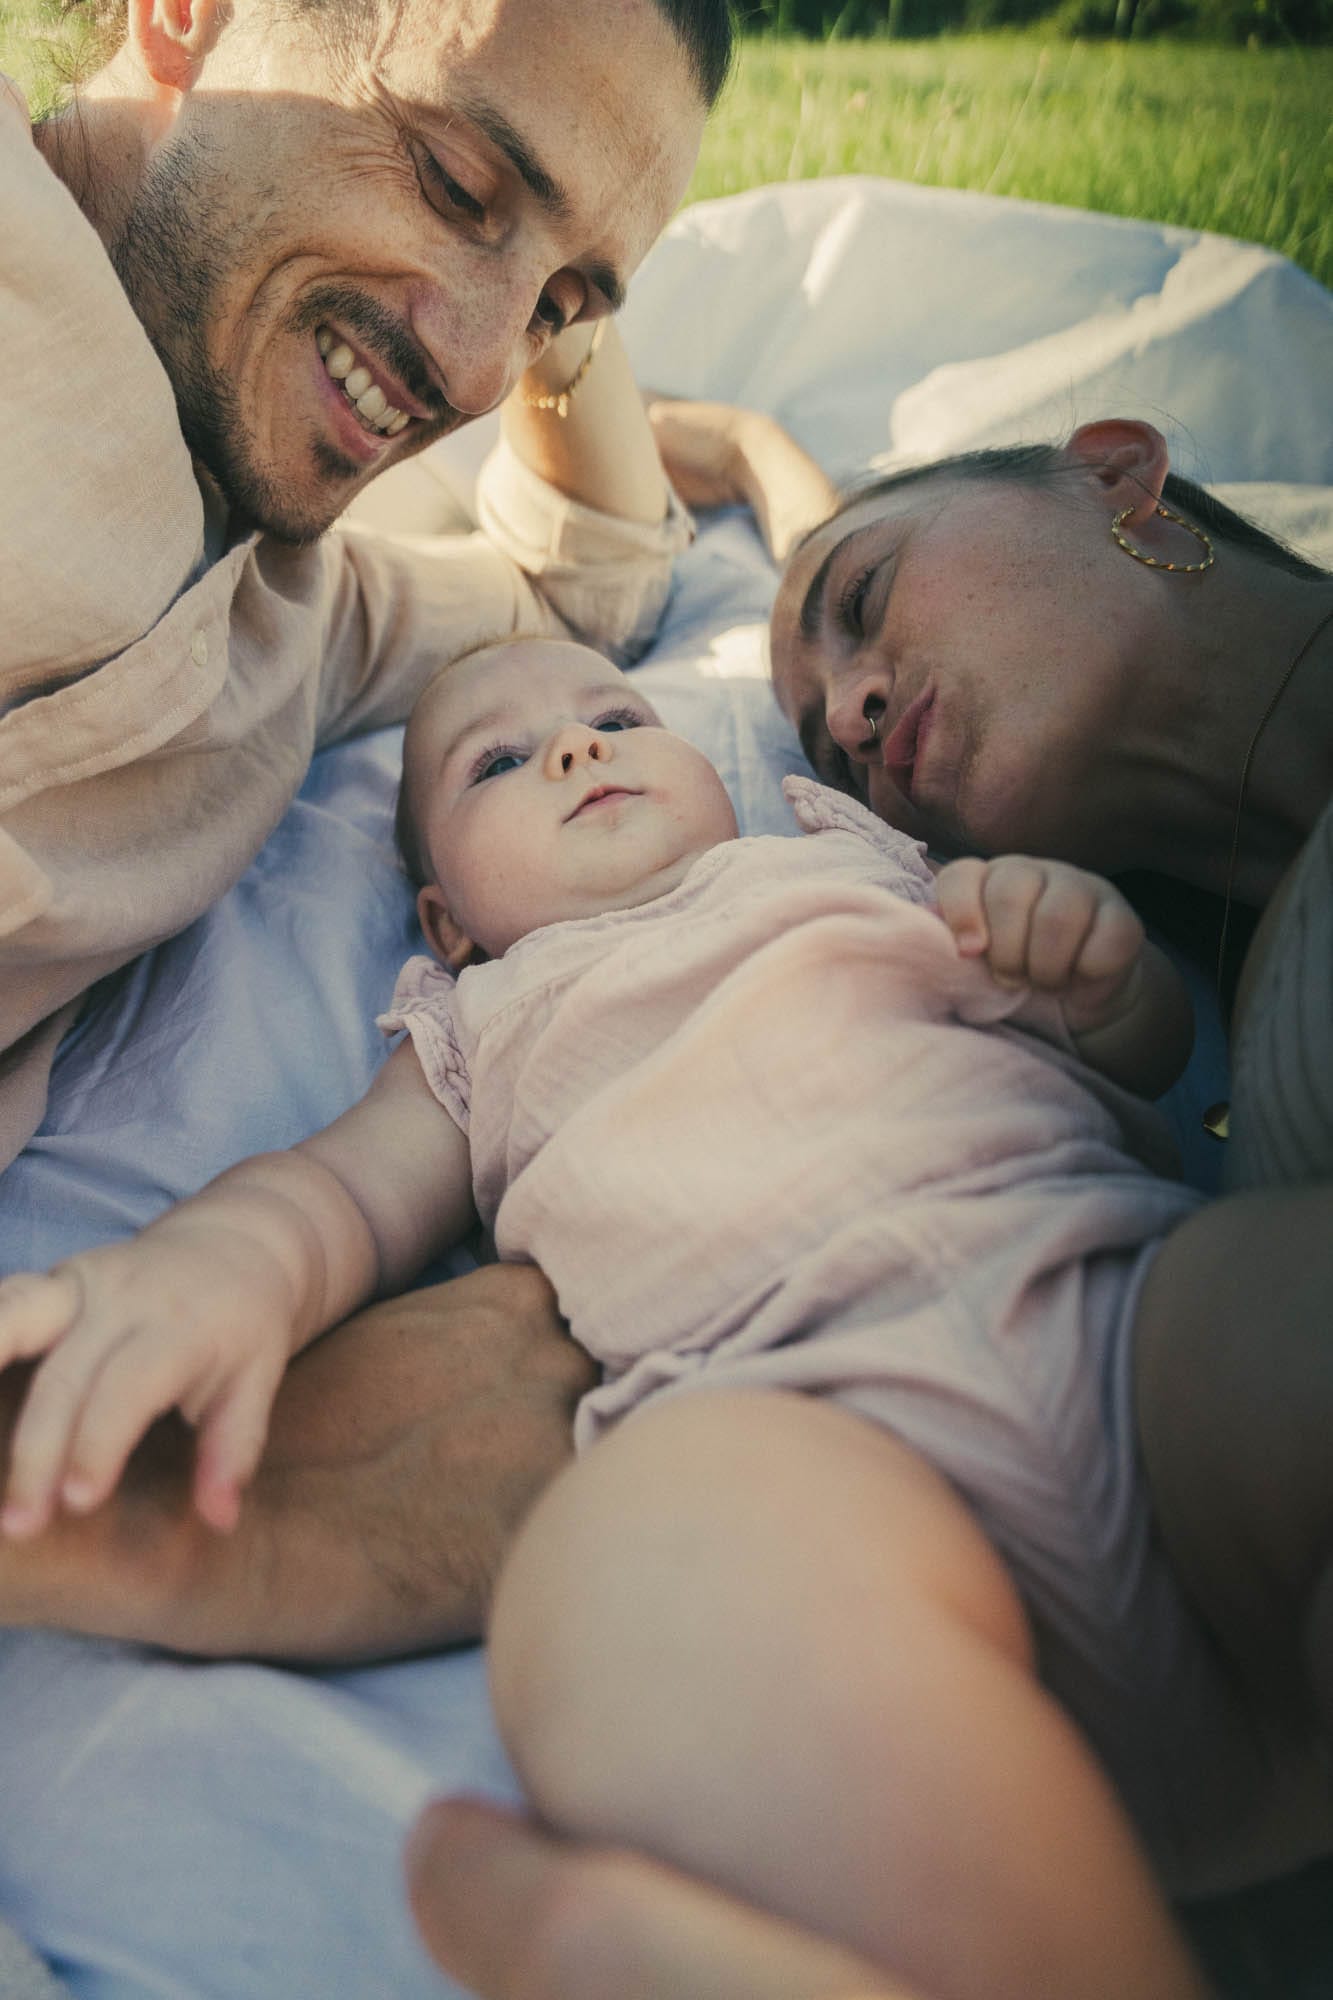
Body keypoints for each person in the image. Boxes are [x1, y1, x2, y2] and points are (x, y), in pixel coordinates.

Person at [3, 629, 1316, 1999]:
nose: (575, 750)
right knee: (620, 1560)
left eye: (614, 717)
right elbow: (330, 1198)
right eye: (498, 762)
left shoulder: (855, 865)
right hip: (819, 1463)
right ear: (448, 918)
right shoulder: (481, 1024)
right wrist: (215, 1267)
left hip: (1117, 1318)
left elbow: (1146, 1052)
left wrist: (1098, 974)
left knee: (1283, 1295)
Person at [0, 0, 735, 1657]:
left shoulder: (293, 614)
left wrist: (570, 276)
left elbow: (588, 578)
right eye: (455, 177)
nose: (478, 373)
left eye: (549, 309)